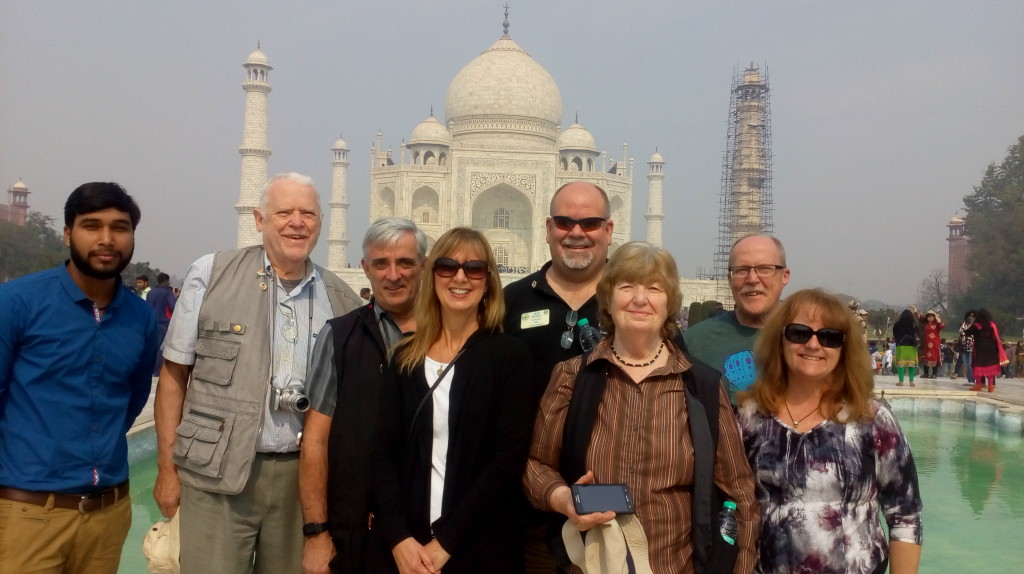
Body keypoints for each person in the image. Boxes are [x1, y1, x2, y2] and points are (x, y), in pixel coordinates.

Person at [153, 173, 360, 574]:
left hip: (302, 481)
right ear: (259, 219)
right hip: (218, 474)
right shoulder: (213, 274)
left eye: (308, 214)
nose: (297, 222)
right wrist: (166, 470)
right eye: (284, 212)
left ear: (321, 223)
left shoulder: (340, 297)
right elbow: (174, 377)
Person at [524, 242, 758, 574]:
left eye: (653, 288)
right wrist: (564, 499)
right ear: (609, 296)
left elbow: (739, 494)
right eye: (627, 286)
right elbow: (536, 465)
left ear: (669, 302)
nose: (639, 298)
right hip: (592, 563)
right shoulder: (574, 377)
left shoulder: (701, 386)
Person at [0, 182, 158, 574]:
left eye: (119, 228)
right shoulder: (18, 303)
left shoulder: (139, 318)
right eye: (92, 225)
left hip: (108, 515)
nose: (106, 239)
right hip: (29, 513)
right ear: (68, 233)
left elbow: (134, 397)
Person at [372, 227, 534, 574]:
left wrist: (446, 543)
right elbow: (382, 453)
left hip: (480, 545)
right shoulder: (405, 357)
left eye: (474, 269)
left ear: (489, 280)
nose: (460, 277)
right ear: (432, 274)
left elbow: (507, 462)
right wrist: (399, 538)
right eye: (447, 266)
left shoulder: (509, 357)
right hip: (408, 552)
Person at [736, 289, 923, 574]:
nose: (813, 344)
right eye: (800, 333)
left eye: (829, 337)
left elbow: (905, 514)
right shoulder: (750, 417)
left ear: (844, 348)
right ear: (780, 339)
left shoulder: (872, 418)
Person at [299, 217, 426, 574]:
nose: (393, 274)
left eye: (405, 263)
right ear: (365, 268)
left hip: (433, 534)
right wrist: (316, 534)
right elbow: (315, 441)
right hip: (357, 530)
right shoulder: (341, 336)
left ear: (424, 267)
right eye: (381, 264)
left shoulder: (452, 337)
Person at [502, 181, 613, 573]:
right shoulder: (510, 303)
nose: (577, 233)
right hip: (524, 513)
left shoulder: (634, 304)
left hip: (614, 512)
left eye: (590, 223)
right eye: (565, 222)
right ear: (548, 229)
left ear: (608, 231)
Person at [684, 233, 790, 399]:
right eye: (741, 270)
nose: (752, 279)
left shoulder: (812, 341)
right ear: (729, 279)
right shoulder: (694, 342)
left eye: (764, 269)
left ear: (785, 276)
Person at [964, 309, 1008, 393]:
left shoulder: (976, 325)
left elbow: (967, 333)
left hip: (979, 349)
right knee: (990, 366)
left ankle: (979, 385)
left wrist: (970, 324)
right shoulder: (992, 325)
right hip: (991, 349)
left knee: (977, 366)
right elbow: (996, 335)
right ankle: (991, 385)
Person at [147, 272, 177, 376]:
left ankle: (149, 369)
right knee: (160, 348)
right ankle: (156, 371)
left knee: (151, 347)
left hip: (151, 323)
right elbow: (173, 306)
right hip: (163, 322)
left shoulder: (150, 292)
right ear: (166, 281)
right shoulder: (167, 293)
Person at [892, 309, 920, 386]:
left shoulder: (897, 324)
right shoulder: (913, 324)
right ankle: (911, 382)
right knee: (911, 365)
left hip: (901, 346)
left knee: (901, 364)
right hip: (911, 346)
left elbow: (894, 333)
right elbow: (918, 333)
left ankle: (901, 381)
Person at [953, 310, 976, 384]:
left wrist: (972, 324)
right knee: (966, 364)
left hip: (972, 346)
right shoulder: (964, 323)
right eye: (970, 316)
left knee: (970, 364)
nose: (971, 317)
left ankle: (973, 380)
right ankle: (970, 380)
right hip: (963, 346)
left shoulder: (976, 324)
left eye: (973, 316)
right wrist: (969, 325)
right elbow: (961, 331)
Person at [921, 311, 945, 378]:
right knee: (925, 357)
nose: (930, 317)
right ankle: (926, 373)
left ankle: (934, 373)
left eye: (932, 316)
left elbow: (942, 326)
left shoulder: (937, 324)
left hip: (934, 344)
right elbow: (919, 317)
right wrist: (915, 310)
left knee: (934, 358)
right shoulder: (925, 323)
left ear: (934, 317)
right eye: (928, 316)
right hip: (926, 344)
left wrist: (938, 319)